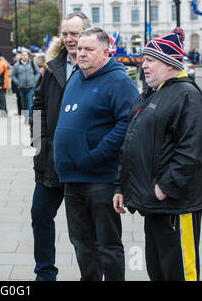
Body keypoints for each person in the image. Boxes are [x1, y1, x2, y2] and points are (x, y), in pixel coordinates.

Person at [113, 27, 202, 281]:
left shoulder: (186, 94)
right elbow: (130, 144)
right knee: (159, 272)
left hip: (176, 207)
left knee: (180, 274)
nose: (143, 65)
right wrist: (121, 186)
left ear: (169, 63)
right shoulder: (150, 94)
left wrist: (163, 188)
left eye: (150, 60)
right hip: (152, 206)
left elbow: (191, 152)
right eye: (144, 59)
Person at [53, 27, 139, 281]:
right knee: (81, 244)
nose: (81, 54)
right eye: (79, 49)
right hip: (71, 179)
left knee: (107, 245)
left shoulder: (119, 81)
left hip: (101, 179)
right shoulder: (75, 78)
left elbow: (129, 124)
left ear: (105, 51)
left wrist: (95, 154)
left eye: (88, 49)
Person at [30, 11, 91, 281]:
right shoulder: (52, 66)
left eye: (74, 33)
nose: (68, 38)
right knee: (40, 215)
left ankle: (90, 275)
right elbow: (37, 108)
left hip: (84, 163)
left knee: (83, 227)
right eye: (64, 33)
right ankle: (45, 274)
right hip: (51, 160)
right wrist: (39, 144)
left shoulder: (97, 67)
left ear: (87, 34)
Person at [11, 50, 40, 122]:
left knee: (29, 101)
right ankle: (26, 117)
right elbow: (13, 76)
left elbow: (38, 73)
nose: (24, 56)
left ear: (28, 56)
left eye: (26, 55)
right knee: (23, 103)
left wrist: (34, 80)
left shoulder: (32, 64)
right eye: (23, 55)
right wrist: (18, 82)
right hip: (21, 87)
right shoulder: (16, 65)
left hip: (31, 87)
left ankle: (29, 118)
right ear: (21, 56)